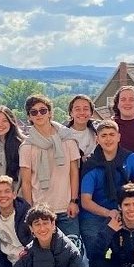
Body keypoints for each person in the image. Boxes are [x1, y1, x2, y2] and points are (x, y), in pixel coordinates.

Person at [77, 120, 134, 262]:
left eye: (112, 134)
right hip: (94, 216)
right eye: (104, 135)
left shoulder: (131, 159)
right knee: (95, 256)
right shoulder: (90, 165)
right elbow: (86, 201)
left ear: (119, 137)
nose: (108, 139)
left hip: (124, 213)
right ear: (97, 139)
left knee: (129, 255)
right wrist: (108, 213)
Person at [18, 95, 82, 238]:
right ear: (29, 117)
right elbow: (26, 183)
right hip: (41, 211)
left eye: (43, 110)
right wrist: (32, 211)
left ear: (50, 113)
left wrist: (73, 200)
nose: (39, 114)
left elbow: (74, 172)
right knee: (46, 256)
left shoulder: (67, 139)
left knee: (74, 254)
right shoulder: (26, 147)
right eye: (34, 112)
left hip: (66, 208)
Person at [0, 105, 24, 193]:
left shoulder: (22, 147)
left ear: (11, 122)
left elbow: (25, 180)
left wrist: (16, 199)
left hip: (19, 201)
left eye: (5, 121)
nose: (0, 124)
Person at [63, 94, 99, 158]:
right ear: (71, 113)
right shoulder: (63, 135)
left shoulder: (97, 132)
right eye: (77, 109)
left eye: (85, 109)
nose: (82, 112)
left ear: (91, 112)